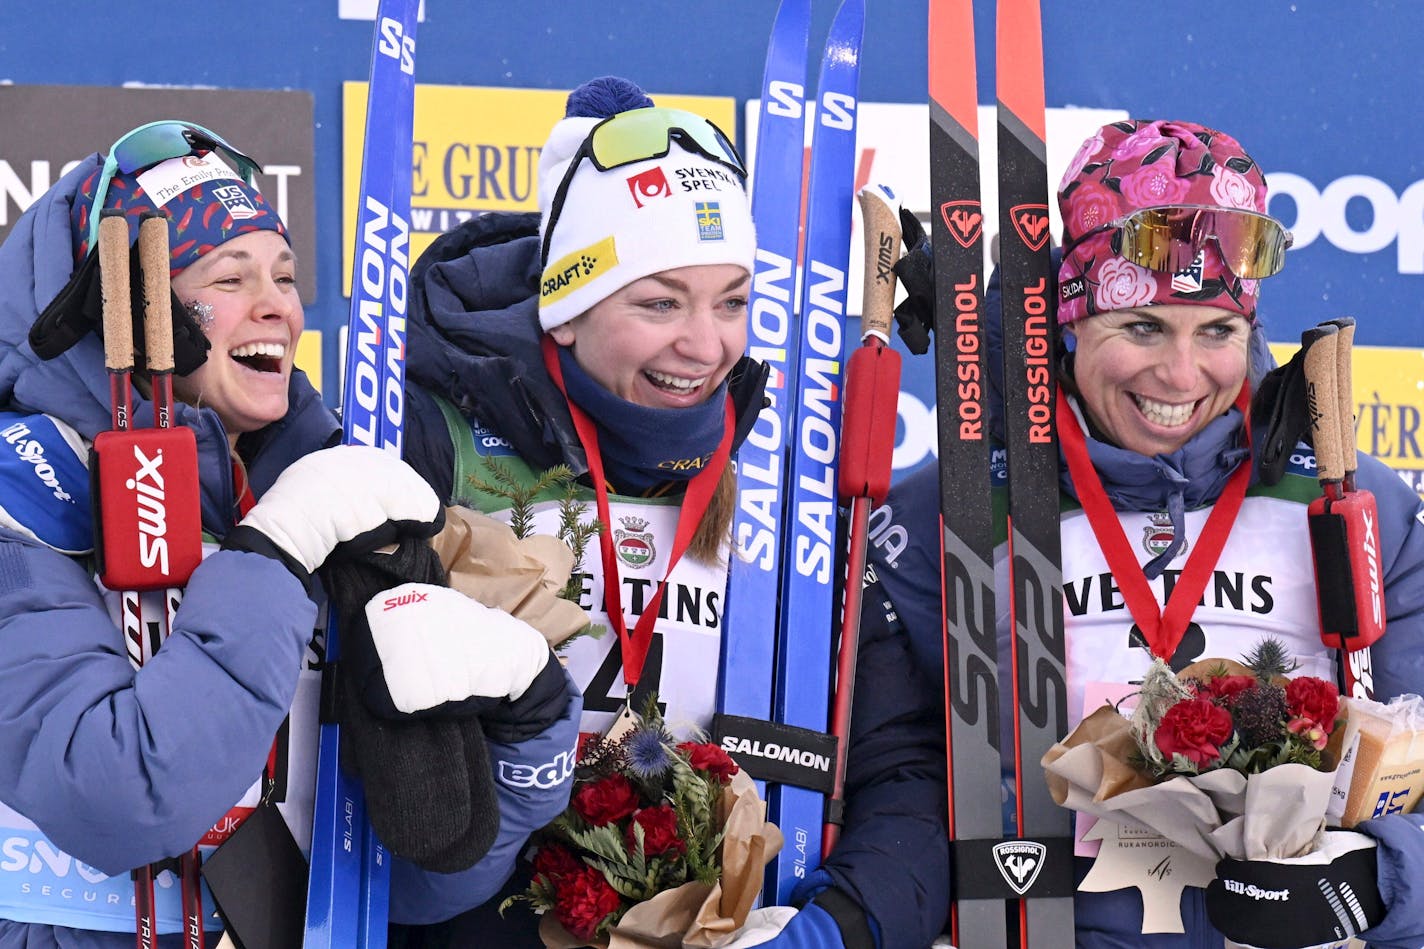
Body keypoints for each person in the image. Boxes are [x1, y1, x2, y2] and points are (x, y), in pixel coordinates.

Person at [390, 77, 948, 949]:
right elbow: (374, 776)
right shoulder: (432, 441)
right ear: (567, 311)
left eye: (731, 300)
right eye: (659, 302)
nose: (705, 344)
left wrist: (838, 928)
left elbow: (895, 768)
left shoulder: (775, 474)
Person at [0, 119, 580, 947]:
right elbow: (120, 798)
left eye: (285, 274)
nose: (278, 304)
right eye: (230, 277)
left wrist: (529, 729)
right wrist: (271, 554)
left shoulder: (326, 485)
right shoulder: (22, 498)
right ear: (128, 308)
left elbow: (410, 881)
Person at [875, 118, 1424, 947]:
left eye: (1217, 331)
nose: (1180, 375)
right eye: (1141, 328)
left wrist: (1376, 884)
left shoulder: (1355, 498)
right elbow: (892, 782)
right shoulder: (946, 512)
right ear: (1067, 322)